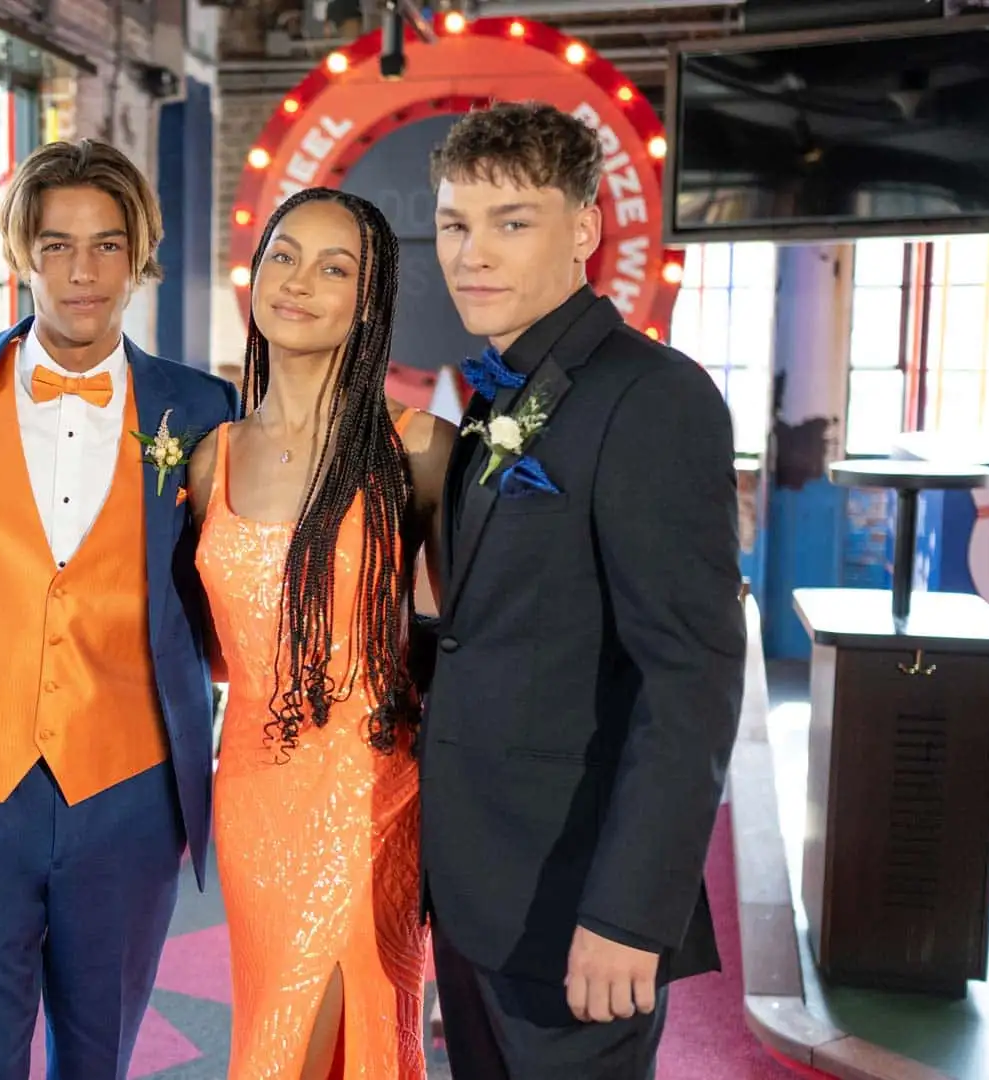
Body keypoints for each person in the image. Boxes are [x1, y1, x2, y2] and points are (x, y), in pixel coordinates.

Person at [0, 138, 236, 1079]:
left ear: (140, 254)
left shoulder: (203, 407)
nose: (83, 273)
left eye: (109, 246)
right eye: (57, 245)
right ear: (20, 253)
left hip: (130, 787)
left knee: (99, 1053)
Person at [422, 101, 747, 1078]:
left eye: (511, 222)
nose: (473, 253)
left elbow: (690, 678)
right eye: (455, 224)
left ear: (585, 230)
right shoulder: (496, 394)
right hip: (485, 892)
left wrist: (628, 914)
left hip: (577, 905)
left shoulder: (656, 397)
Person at [187, 188, 452, 1080]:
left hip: (369, 788)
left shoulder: (419, 449)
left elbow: (474, 641)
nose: (299, 282)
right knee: (271, 1021)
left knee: (328, 1042)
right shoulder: (208, 457)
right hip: (253, 794)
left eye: (334, 267)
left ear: (370, 300)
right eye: (283, 256)